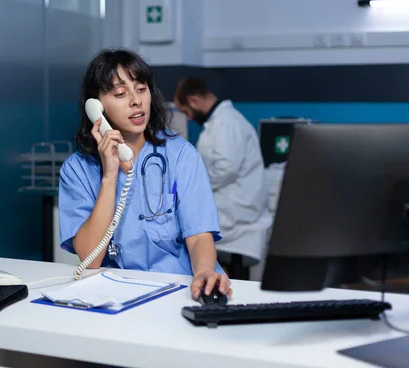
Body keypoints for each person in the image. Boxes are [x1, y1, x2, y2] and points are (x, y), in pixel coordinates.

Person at [58, 49, 232, 301]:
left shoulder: (181, 154)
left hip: (183, 287)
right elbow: (90, 258)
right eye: (120, 94)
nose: (135, 100)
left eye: (141, 89)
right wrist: (109, 176)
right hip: (120, 295)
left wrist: (204, 272)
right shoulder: (77, 170)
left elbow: (198, 236)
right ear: (96, 107)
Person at [173, 78, 272, 280]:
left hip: (237, 209)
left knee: (179, 225)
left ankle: (189, 277)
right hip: (232, 201)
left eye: (185, 112)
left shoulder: (226, 123)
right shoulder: (220, 122)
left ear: (193, 101)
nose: (189, 118)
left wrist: (191, 185)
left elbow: (226, 169)